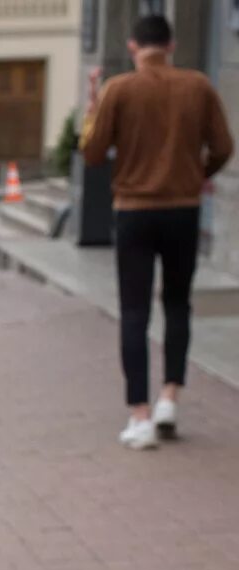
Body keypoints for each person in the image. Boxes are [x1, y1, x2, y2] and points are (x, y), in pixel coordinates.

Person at [82, 12, 233, 450]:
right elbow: (224, 146)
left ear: (132, 46)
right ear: (171, 45)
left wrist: (93, 105)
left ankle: (140, 416)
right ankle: (170, 395)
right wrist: (198, 173)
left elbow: (92, 154)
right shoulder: (199, 85)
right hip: (183, 209)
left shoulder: (120, 89)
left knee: (134, 311)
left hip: (134, 210)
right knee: (177, 303)